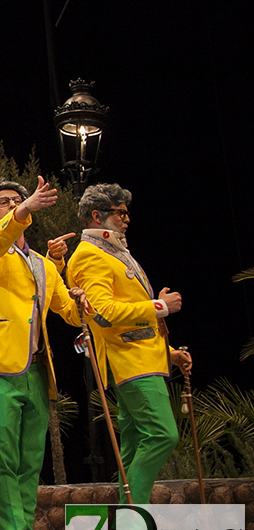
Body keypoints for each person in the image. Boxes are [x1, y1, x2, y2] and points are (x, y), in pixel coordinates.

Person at [0, 177, 83, 530]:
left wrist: (79, 287)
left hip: (34, 368)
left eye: (18, 199)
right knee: (0, 457)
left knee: (30, 459)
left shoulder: (43, 265)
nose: (15, 204)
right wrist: (24, 210)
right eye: (4, 202)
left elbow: (71, 312)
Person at [66, 183, 192, 507]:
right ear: (97, 215)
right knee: (164, 434)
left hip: (145, 360)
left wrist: (170, 354)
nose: (126, 219)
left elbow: (137, 326)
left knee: (135, 448)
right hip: (130, 364)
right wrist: (159, 306)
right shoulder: (89, 255)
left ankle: (129, 529)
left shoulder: (115, 252)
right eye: (120, 212)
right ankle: (131, 523)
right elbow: (104, 316)